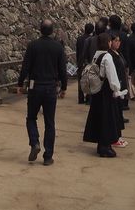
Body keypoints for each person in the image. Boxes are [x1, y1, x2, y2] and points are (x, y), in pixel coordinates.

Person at [18, 18, 67, 165]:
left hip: (35, 86)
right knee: (49, 122)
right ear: (52, 31)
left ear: (40, 30)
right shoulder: (58, 48)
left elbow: (25, 66)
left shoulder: (33, 46)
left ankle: (34, 143)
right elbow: (62, 70)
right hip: (51, 87)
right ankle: (48, 156)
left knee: (31, 117)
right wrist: (64, 87)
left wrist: (20, 84)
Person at [83, 32, 127, 157]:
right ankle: (105, 146)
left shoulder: (96, 56)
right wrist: (117, 89)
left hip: (97, 91)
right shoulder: (107, 57)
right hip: (106, 92)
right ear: (108, 43)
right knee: (107, 119)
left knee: (98, 117)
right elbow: (112, 77)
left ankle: (100, 145)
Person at [109, 32, 128, 147]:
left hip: (121, 86)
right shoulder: (110, 55)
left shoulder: (118, 53)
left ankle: (118, 136)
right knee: (115, 113)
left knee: (119, 113)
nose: (118, 42)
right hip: (116, 87)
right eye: (115, 40)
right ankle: (115, 138)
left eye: (119, 40)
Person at [76, 22, 94, 104]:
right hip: (89, 62)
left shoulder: (79, 39)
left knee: (80, 80)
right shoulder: (92, 39)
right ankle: (89, 98)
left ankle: (80, 98)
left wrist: (78, 62)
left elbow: (78, 52)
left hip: (81, 62)